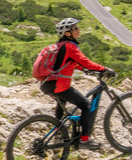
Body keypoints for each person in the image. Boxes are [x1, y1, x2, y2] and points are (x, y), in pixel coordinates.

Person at [40, 18, 114, 149]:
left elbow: (71, 64)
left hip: (47, 84)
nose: (78, 29)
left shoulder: (60, 46)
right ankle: (85, 139)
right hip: (59, 85)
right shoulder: (70, 47)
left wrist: (85, 70)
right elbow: (86, 62)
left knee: (61, 102)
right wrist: (104, 69)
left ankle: (58, 131)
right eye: (75, 28)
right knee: (86, 105)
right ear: (68, 33)